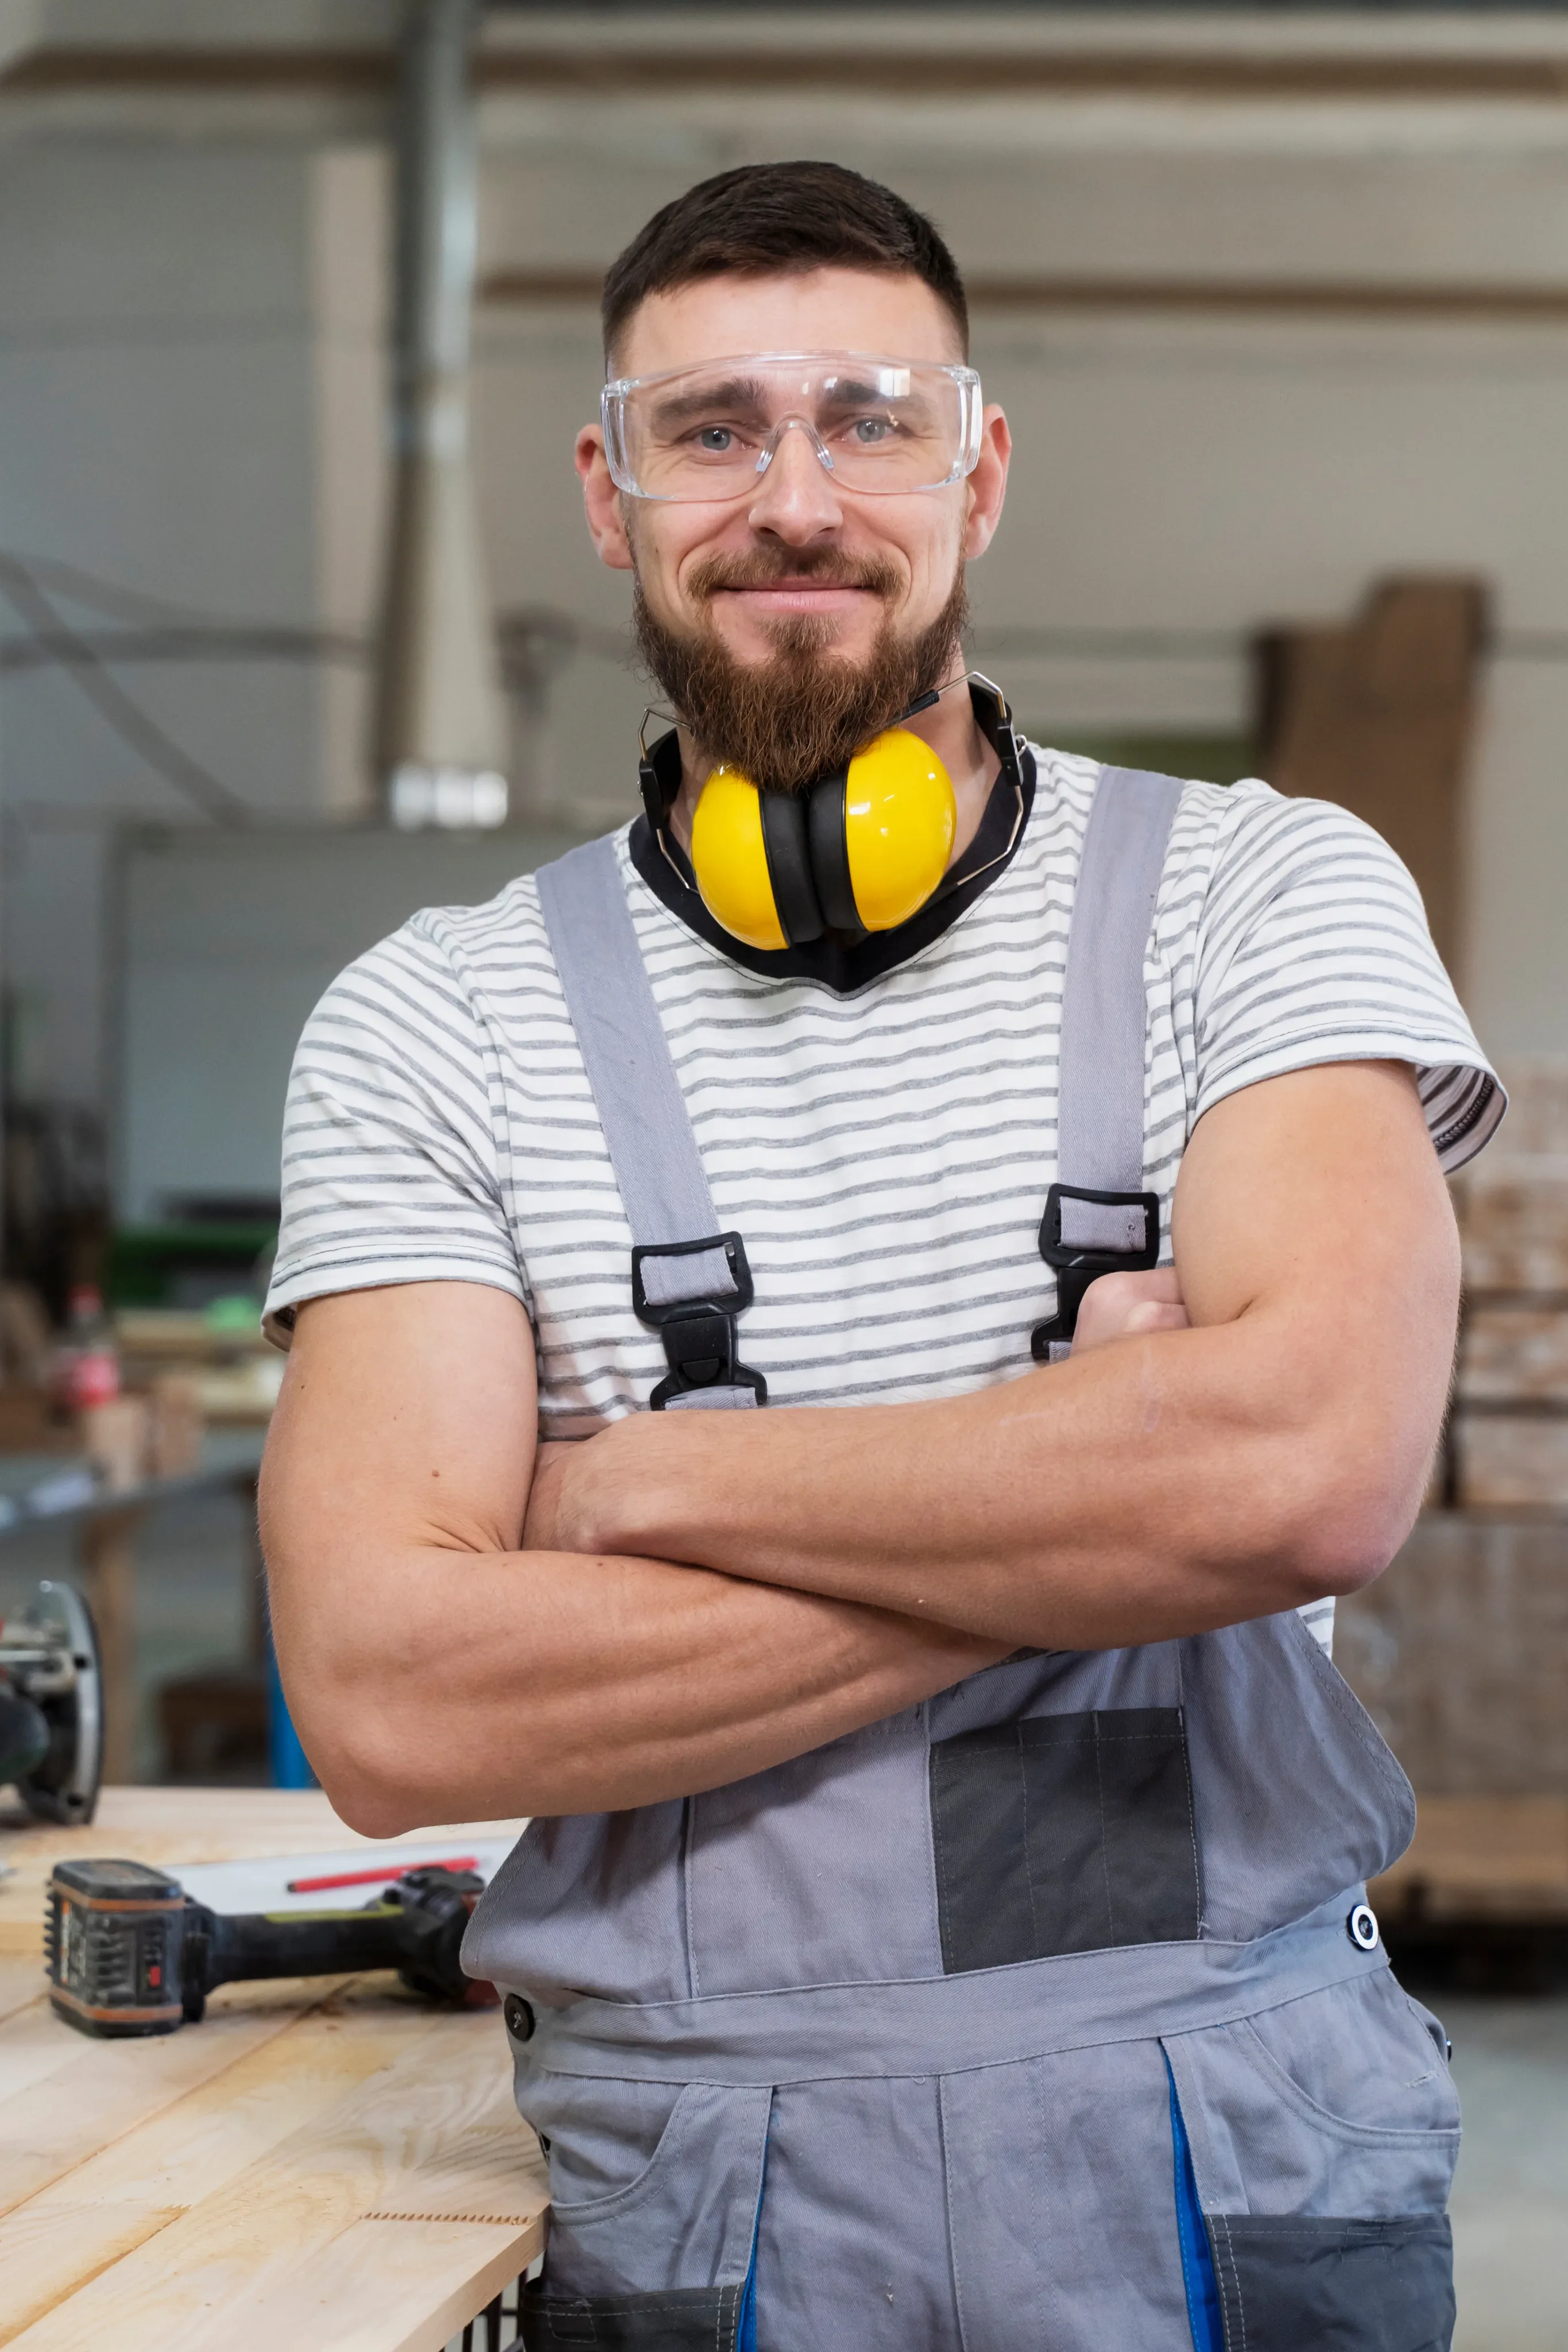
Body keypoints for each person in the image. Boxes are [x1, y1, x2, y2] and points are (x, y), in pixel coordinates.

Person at [260, 161, 1500, 2352]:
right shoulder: (432, 1017)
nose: (796, 495)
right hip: (703, 2186)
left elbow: (1302, 1477)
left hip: (1234, 2136)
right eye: (715, 427)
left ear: (981, 467)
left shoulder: (1259, 892)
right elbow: (389, 1699)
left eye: (872, 417)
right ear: (607, 487)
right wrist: (1098, 1464)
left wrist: (643, 1489)